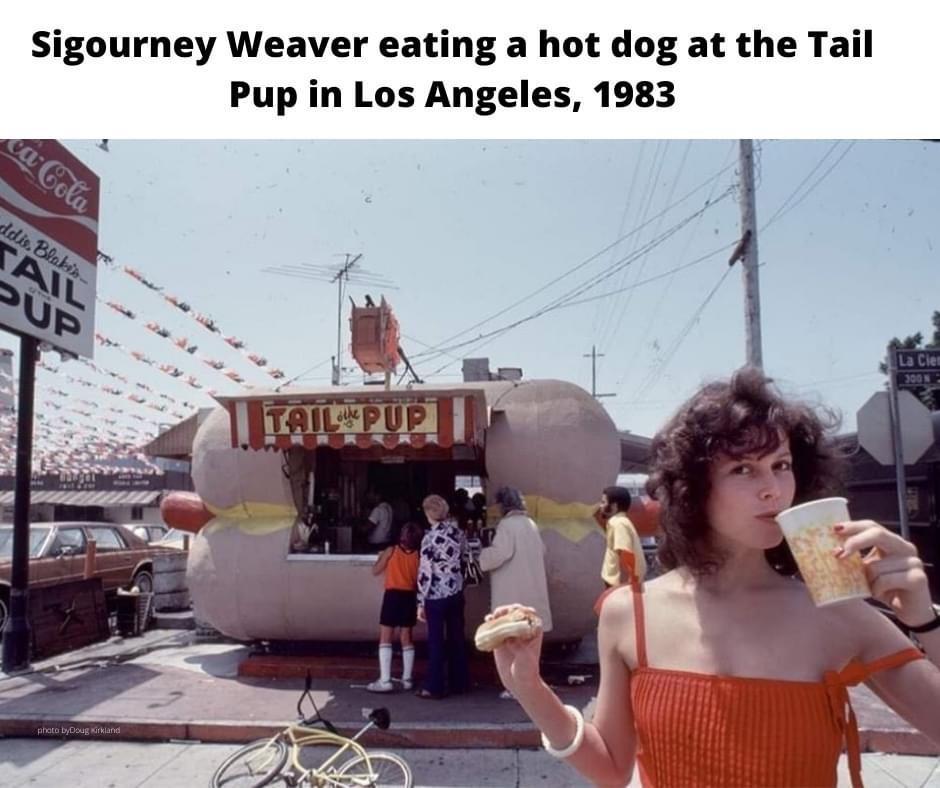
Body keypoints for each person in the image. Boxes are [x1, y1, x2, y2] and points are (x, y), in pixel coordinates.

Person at [487, 367, 940, 787]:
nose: (773, 488)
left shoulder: (839, 614)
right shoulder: (630, 614)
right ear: (693, 487)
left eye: (781, 465)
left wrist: (925, 622)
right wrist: (529, 687)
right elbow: (610, 767)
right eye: (743, 469)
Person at [416, 494, 470, 699]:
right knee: (457, 638)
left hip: (436, 595)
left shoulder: (429, 538)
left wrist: (420, 602)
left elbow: (425, 573)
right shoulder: (458, 533)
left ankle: (435, 686)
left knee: (436, 642)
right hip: (456, 592)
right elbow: (466, 556)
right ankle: (460, 682)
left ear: (429, 513)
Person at [367, 522, 423, 693]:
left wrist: (380, 558)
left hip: (392, 596)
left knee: (386, 636)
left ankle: (385, 680)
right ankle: (407, 679)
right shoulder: (418, 555)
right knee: (406, 637)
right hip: (409, 596)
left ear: (401, 536)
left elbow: (375, 570)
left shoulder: (391, 551)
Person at [596, 485, 647, 589]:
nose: (600, 506)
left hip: (619, 585)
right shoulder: (620, 522)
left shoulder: (618, 523)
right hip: (618, 584)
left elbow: (625, 554)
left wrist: (625, 587)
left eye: (603, 502)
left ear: (614, 506)